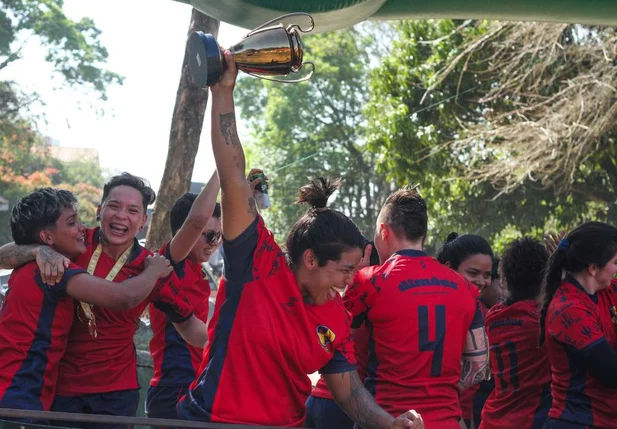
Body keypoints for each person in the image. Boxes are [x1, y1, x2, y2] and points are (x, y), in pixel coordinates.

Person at [176, 50, 423, 429]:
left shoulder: (337, 315)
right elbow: (233, 173)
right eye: (344, 270)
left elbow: (349, 391)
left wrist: (390, 424)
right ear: (311, 260)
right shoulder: (255, 260)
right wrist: (223, 91)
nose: (350, 279)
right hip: (212, 421)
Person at [0, 173, 208, 429]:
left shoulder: (152, 268)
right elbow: (6, 255)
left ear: (143, 221)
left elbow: (190, 327)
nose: (122, 215)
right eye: (114, 206)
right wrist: (37, 250)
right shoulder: (71, 243)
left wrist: (233, 346)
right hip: (58, 388)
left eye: (133, 210)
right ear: (99, 211)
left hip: (116, 394)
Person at [343, 187, 488, 429]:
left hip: (387, 420)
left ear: (383, 231)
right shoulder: (463, 287)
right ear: (423, 235)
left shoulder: (369, 282)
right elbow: (479, 367)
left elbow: (336, 347)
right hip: (445, 421)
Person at [146, 171, 221, 422]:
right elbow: (196, 221)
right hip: (172, 388)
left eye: (218, 236)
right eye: (208, 235)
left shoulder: (199, 273)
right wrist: (226, 167)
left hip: (196, 383)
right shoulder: (170, 263)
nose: (214, 242)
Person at [539, 222, 617, 428]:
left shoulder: (607, 291)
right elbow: (611, 373)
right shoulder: (568, 309)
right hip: (577, 421)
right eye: (615, 262)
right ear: (593, 268)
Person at [479, 237, 551, 429]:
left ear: (504, 279)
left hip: (492, 419)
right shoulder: (543, 323)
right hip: (529, 420)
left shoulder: (492, 318)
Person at [306, 244, 380, 429]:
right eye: (347, 270)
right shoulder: (372, 298)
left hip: (324, 398)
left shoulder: (357, 300)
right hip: (343, 404)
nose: (347, 279)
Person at [436, 233, 493, 429]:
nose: (482, 281)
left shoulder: (479, 310)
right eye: (473, 273)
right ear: (448, 268)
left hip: (461, 412)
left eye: (487, 275)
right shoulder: (437, 308)